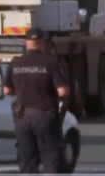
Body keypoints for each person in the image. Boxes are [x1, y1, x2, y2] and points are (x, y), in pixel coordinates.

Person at [4, 27, 69, 173]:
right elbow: (63, 91)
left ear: (26, 43)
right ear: (41, 43)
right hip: (44, 115)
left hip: (22, 117)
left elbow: (7, 90)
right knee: (51, 159)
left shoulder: (16, 63)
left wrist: (22, 90)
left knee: (27, 161)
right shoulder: (50, 62)